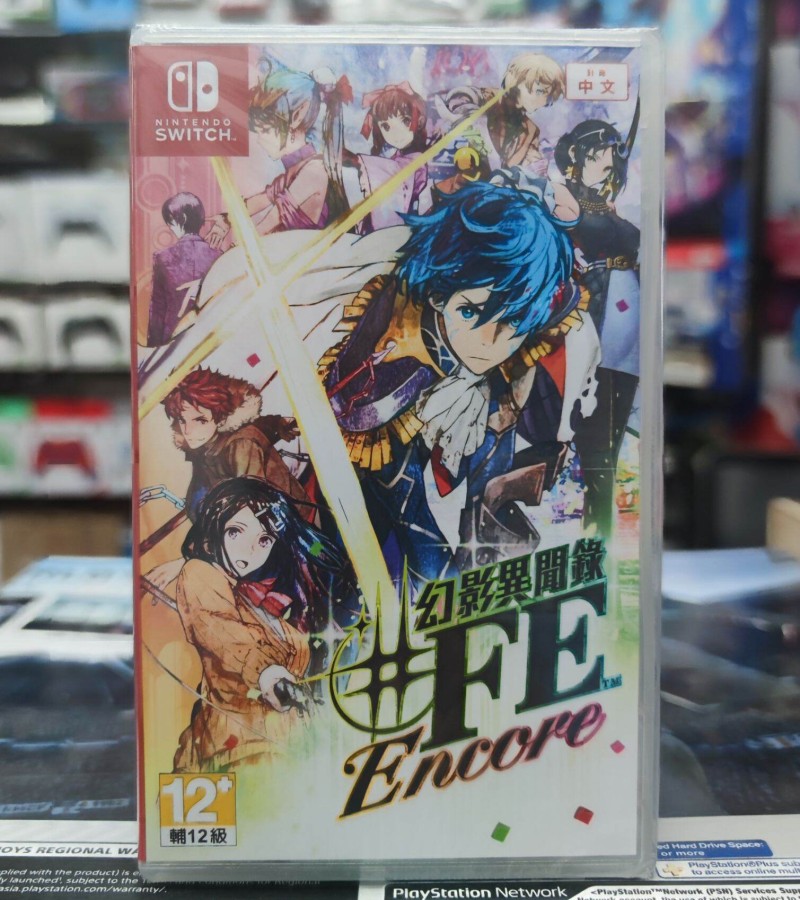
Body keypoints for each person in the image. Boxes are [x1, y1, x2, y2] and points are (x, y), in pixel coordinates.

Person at [319, 180, 600, 584]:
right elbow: (415, 527)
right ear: (439, 295)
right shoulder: (393, 355)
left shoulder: (521, 328)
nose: (489, 343)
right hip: (383, 456)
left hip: (469, 444)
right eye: (470, 312)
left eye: (514, 324)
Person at [173, 477, 359, 772]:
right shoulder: (200, 575)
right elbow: (222, 629)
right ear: (215, 529)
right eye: (235, 532)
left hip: (289, 753)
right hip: (240, 748)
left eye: (264, 540)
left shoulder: (265, 604)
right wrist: (267, 672)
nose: (249, 551)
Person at [144, 367, 310, 591]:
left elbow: (251, 517)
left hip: (295, 538)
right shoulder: (206, 451)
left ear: (222, 418)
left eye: (200, 420)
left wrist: (190, 561)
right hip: (243, 546)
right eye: (182, 420)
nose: (188, 430)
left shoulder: (241, 445)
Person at [554, 115, 640, 538]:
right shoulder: (562, 197)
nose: (608, 160)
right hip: (590, 315)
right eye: (601, 152)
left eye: (612, 154)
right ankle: (595, 532)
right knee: (593, 433)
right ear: (578, 153)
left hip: (628, 316)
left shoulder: (608, 205)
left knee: (612, 436)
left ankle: (598, 530)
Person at [206, 64, 351, 247]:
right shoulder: (295, 171)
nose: (260, 140)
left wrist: (235, 249)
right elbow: (261, 200)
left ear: (296, 117)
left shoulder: (314, 171)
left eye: (265, 130)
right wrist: (227, 220)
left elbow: (267, 225)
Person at [351, 82, 431, 232]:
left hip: (406, 227)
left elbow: (396, 177)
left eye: (405, 121)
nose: (396, 133)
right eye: (386, 126)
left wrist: (356, 161)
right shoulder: (397, 157)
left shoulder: (416, 160)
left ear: (419, 121)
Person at [147, 192, 221, 347]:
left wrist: (153, 347)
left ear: (183, 219)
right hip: (210, 337)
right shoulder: (219, 256)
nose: (169, 227)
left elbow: (158, 310)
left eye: (170, 221)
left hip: (172, 339)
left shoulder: (162, 258)